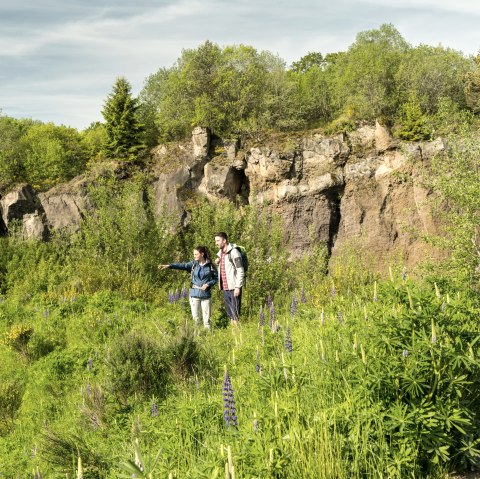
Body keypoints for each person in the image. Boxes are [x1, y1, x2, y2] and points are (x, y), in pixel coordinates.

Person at [160, 246, 218, 329]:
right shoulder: (193, 264)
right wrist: (170, 266)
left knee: (207, 321)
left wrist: (208, 284)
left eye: (196, 254)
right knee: (196, 320)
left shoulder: (211, 266)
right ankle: (197, 338)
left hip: (206, 296)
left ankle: (208, 338)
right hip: (194, 295)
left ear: (202, 254)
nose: (194, 256)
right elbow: (182, 265)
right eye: (194, 254)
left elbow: (216, 278)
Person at [214, 232, 245, 325]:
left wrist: (238, 287)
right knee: (230, 314)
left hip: (234, 288)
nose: (216, 243)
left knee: (235, 314)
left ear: (224, 240)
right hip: (226, 288)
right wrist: (218, 261)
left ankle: (236, 336)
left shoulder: (234, 252)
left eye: (218, 240)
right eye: (215, 241)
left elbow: (240, 270)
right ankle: (233, 335)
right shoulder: (221, 254)